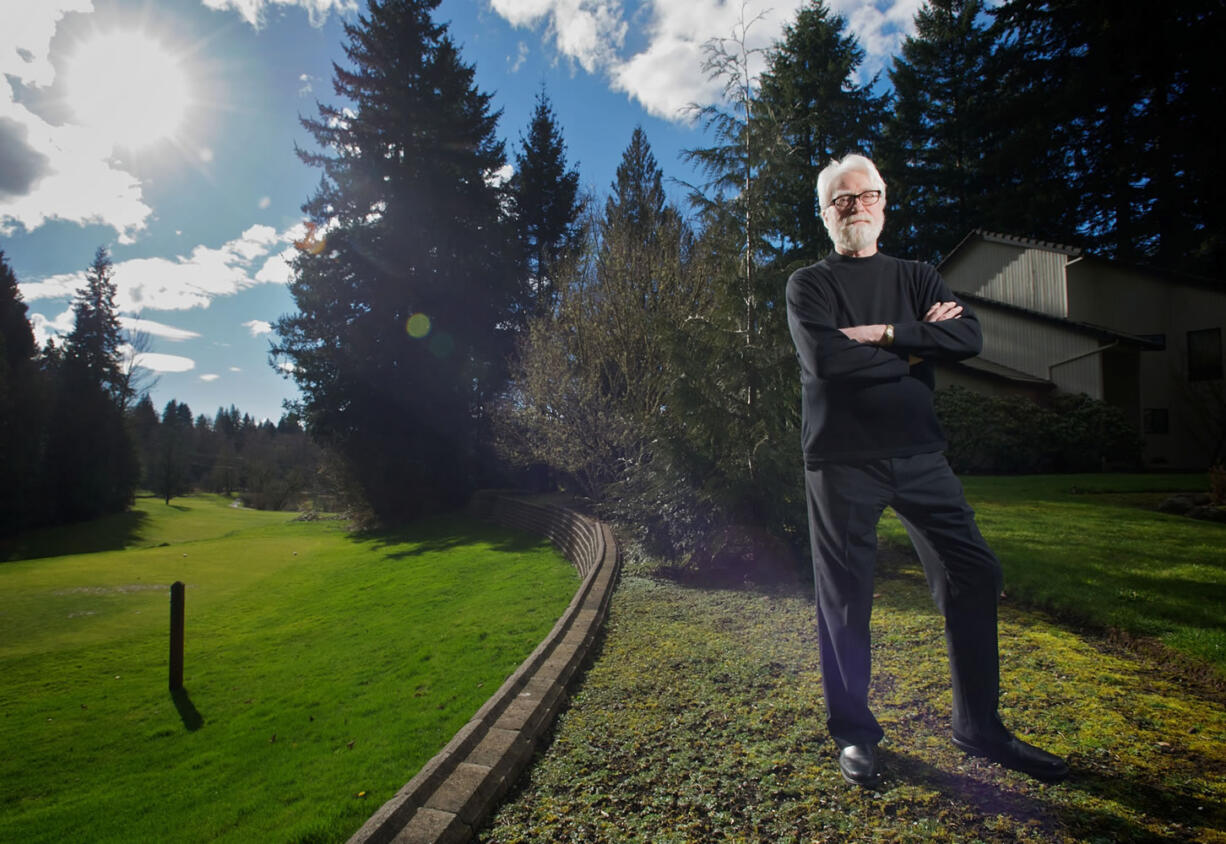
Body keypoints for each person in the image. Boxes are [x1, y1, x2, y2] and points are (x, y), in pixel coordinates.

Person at [785, 153, 1069, 787]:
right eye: (841, 199)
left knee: (973, 569)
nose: (855, 206)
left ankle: (979, 727)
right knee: (846, 600)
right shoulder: (809, 285)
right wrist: (916, 349)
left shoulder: (917, 275)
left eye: (866, 195)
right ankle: (855, 736)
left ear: (884, 201)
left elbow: (968, 338)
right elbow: (828, 364)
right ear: (825, 214)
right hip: (841, 463)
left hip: (920, 455)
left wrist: (885, 333)